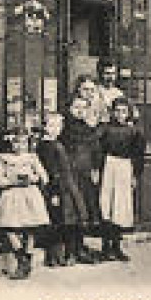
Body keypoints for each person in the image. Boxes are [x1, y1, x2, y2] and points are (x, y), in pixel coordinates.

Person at [0, 129, 49, 280]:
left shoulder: (32, 158)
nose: (19, 146)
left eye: (23, 142)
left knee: (31, 228)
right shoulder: (3, 158)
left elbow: (44, 176)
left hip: (29, 194)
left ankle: (27, 257)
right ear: (11, 143)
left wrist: (32, 178)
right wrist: (10, 181)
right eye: (16, 142)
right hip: (11, 194)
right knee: (9, 227)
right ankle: (21, 257)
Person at [35, 111, 91, 266]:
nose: (56, 129)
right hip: (58, 187)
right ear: (45, 127)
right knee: (57, 220)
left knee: (68, 219)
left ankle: (67, 254)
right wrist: (53, 192)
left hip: (67, 185)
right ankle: (54, 255)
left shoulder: (57, 144)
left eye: (59, 125)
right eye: (52, 125)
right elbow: (50, 171)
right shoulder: (46, 146)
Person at [96, 98, 146, 262]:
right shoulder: (105, 129)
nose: (120, 115)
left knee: (120, 207)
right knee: (106, 205)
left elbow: (138, 156)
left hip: (125, 167)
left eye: (123, 111)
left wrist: (135, 175)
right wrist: (98, 169)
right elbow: (98, 150)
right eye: (117, 111)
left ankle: (117, 246)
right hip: (109, 166)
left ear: (129, 113)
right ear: (112, 112)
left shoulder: (134, 132)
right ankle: (105, 247)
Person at [59, 92, 104, 261]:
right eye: (76, 107)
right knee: (70, 212)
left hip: (85, 175)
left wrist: (95, 169)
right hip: (70, 176)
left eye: (83, 108)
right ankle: (70, 249)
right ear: (69, 109)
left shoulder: (89, 129)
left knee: (83, 211)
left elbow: (96, 150)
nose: (79, 111)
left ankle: (80, 248)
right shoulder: (65, 129)